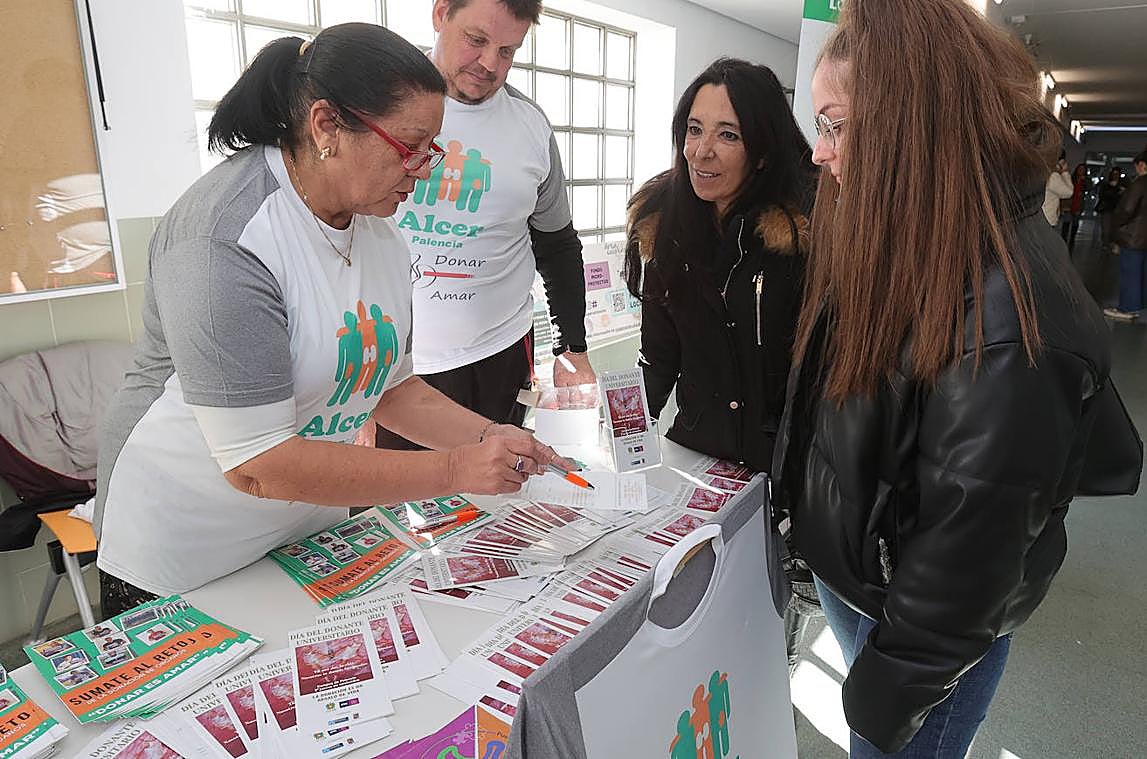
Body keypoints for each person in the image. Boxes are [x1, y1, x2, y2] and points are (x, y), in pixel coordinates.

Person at [95, 24, 569, 616]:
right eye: (410, 147)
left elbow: (390, 390)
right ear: (326, 127)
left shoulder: (380, 231)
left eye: (433, 150)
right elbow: (259, 465)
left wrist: (487, 437)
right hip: (186, 545)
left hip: (302, 533)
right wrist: (454, 468)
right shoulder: (226, 237)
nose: (424, 171)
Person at [773, 0, 1113, 755]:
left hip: (914, 628)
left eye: (834, 124)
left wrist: (880, 702)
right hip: (870, 585)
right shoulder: (916, 227)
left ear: (908, 122)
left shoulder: (1007, 317)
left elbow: (965, 566)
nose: (819, 155)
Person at [624, 57, 815, 669]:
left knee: (764, 631)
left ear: (761, 149)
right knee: (693, 624)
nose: (702, 152)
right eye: (694, 130)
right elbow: (658, 356)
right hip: (697, 458)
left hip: (782, 465)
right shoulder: (664, 224)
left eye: (727, 134)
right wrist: (620, 447)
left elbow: (823, 366)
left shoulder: (801, 236)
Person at [376, 0, 594, 451]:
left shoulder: (531, 126)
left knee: (494, 497)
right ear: (440, 14)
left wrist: (571, 346)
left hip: (500, 355)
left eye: (508, 51)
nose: (490, 64)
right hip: (396, 368)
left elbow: (557, 245)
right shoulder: (378, 107)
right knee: (397, 510)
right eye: (476, 41)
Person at [1104, 152, 1147, 321]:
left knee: (1130, 272)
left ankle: (1127, 308)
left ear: (1142, 165)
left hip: (1133, 236)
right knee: (1142, 273)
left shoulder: (1139, 184)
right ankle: (1140, 304)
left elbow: (1126, 210)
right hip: (1145, 238)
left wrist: (1114, 228)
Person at [1096, 167, 1125, 253]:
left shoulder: (1123, 186)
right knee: (1106, 229)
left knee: (1114, 228)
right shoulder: (1106, 185)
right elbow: (1102, 195)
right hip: (1107, 209)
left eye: (1117, 174)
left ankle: (1110, 243)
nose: (1115, 176)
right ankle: (1106, 244)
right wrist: (1116, 191)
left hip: (1118, 210)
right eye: (1114, 174)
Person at [1060, 162, 1087, 250]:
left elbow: (1088, 190)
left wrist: (1084, 181)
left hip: (1078, 204)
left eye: (1083, 170)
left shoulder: (1085, 182)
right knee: (1066, 222)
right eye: (1080, 169)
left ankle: (1072, 240)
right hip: (1069, 203)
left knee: (1075, 223)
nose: (1081, 171)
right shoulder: (1071, 179)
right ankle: (1063, 240)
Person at [1043, 152, 1072, 227]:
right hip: (1048, 218)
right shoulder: (1053, 176)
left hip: (1043, 216)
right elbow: (1069, 192)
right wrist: (1065, 172)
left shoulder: (1045, 172)